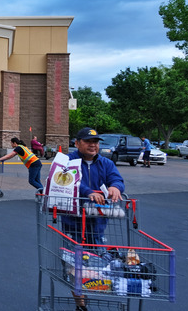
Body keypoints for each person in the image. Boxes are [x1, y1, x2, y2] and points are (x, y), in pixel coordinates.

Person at [65, 127, 125, 311]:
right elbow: (68, 180)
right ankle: (80, 304)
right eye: (88, 141)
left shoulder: (106, 163)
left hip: (97, 224)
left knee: (94, 265)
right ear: (77, 143)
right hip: (73, 223)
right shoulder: (68, 161)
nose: (93, 145)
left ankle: (88, 294)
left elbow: (117, 179)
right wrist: (88, 192)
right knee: (74, 264)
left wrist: (115, 187)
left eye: (96, 142)